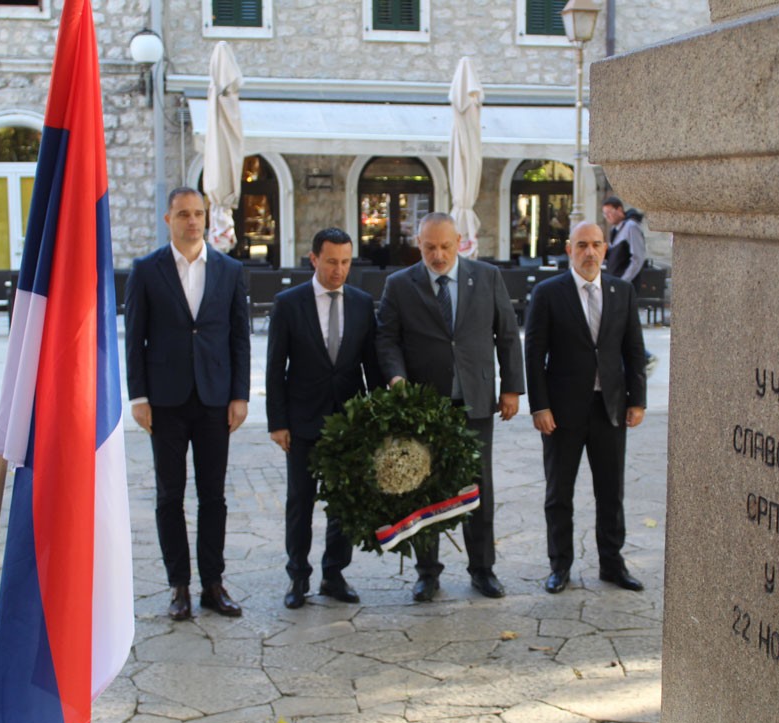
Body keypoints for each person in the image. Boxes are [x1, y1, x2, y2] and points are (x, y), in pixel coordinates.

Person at [376, 212, 525, 602]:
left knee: (479, 489)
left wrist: (511, 388)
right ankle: (427, 573)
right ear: (418, 245)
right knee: (424, 488)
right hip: (424, 407)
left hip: (475, 401)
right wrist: (396, 377)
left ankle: (483, 569)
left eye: (445, 246)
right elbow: (387, 339)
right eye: (429, 247)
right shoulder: (399, 284)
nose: (438, 255)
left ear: (460, 241)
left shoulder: (487, 277)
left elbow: (508, 335)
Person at [124, 187, 251, 620]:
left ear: (207, 217)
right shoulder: (146, 270)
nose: (192, 221)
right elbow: (135, 337)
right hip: (165, 401)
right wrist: (138, 396)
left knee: (213, 496)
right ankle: (178, 584)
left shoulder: (229, 270)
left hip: (215, 399)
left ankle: (213, 584)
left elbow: (239, 337)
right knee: (169, 496)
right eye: (183, 214)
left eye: (198, 213)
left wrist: (240, 395)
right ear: (168, 219)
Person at [524, 220, 648, 594]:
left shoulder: (621, 291)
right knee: (559, 494)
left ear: (606, 249)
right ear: (569, 249)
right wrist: (539, 406)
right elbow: (534, 354)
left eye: (596, 244)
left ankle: (612, 563)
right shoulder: (548, 293)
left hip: (609, 408)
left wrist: (638, 399)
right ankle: (559, 566)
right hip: (561, 413)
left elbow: (634, 350)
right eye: (582, 245)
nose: (589, 252)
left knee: (611, 493)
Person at [267, 227, 384, 609]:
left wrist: (379, 417)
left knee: (343, 502)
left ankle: (334, 574)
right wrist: (277, 422)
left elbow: (372, 366)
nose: (339, 270)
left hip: (348, 422)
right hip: (302, 421)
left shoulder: (364, 304)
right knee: (300, 501)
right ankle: (297, 577)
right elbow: (274, 368)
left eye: (346, 262)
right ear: (314, 258)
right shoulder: (288, 303)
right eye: (332, 261)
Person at [601, 196, 646, 283]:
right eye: (605, 214)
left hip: (626, 284)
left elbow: (637, 258)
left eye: (609, 212)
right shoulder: (614, 229)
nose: (607, 216)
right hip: (614, 282)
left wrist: (624, 281)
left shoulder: (631, 226)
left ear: (619, 210)